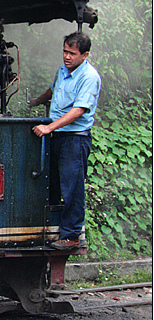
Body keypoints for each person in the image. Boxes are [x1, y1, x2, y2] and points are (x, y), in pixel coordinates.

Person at [29, 31, 101, 250]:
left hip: (74, 138)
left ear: (85, 54)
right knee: (52, 182)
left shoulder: (89, 77)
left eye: (72, 53)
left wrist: (49, 127)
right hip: (58, 136)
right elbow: (53, 89)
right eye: (65, 51)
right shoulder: (63, 71)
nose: (67, 56)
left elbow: (79, 109)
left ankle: (71, 236)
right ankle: (52, 230)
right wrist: (34, 101)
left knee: (72, 187)